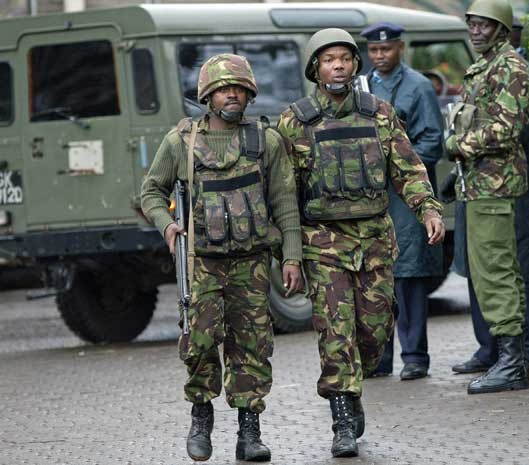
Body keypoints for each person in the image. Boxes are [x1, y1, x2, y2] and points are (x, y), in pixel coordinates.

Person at [277, 28, 444, 457]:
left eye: (345, 59)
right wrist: (289, 253)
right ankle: (342, 415)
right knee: (335, 331)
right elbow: (283, 194)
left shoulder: (379, 114)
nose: (338, 66)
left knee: (373, 332)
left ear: (355, 66)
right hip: (323, 243)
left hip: (373, 240)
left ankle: (355, 388)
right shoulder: (295, 121)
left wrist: (427, 208)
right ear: (316, 67)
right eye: (329, 59)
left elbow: (408, 168)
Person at [141, 54, 303, 462]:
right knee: (198, 344)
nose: (232, 94)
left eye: (239, 88)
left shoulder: (264, 141)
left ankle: (250, 433)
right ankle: (201, 418)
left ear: (250, 93)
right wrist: (168, 226)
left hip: (251, 263)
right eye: (223, 88)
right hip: (201, 264)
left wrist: (292, 258)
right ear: (207, 95)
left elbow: (284, 202)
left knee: (252, 347)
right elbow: (151, 192)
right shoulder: (181, 142)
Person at [451, 15, 529, 376]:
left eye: (484, 25)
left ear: (503, 30)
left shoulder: (511, 68)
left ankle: (514, 359)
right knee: (490, 269)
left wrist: (457, 145)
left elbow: (508, 129)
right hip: (480, 182)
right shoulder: (485, 66)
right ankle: (507, 355)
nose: (475, 31)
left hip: (500, 185)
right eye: (472, 24)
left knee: (499, 269)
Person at [360, 22, 444, 381]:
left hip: (406, 195)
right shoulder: (360, 87)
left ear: (401, 48)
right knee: (376, 276)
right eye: (375, 51)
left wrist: (394, 166)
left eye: (387, 49)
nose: (380, 56)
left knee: (409, 275)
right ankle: (380, 357)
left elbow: (432, 143)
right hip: (370, 198)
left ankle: (414, 356)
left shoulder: (419, 87)